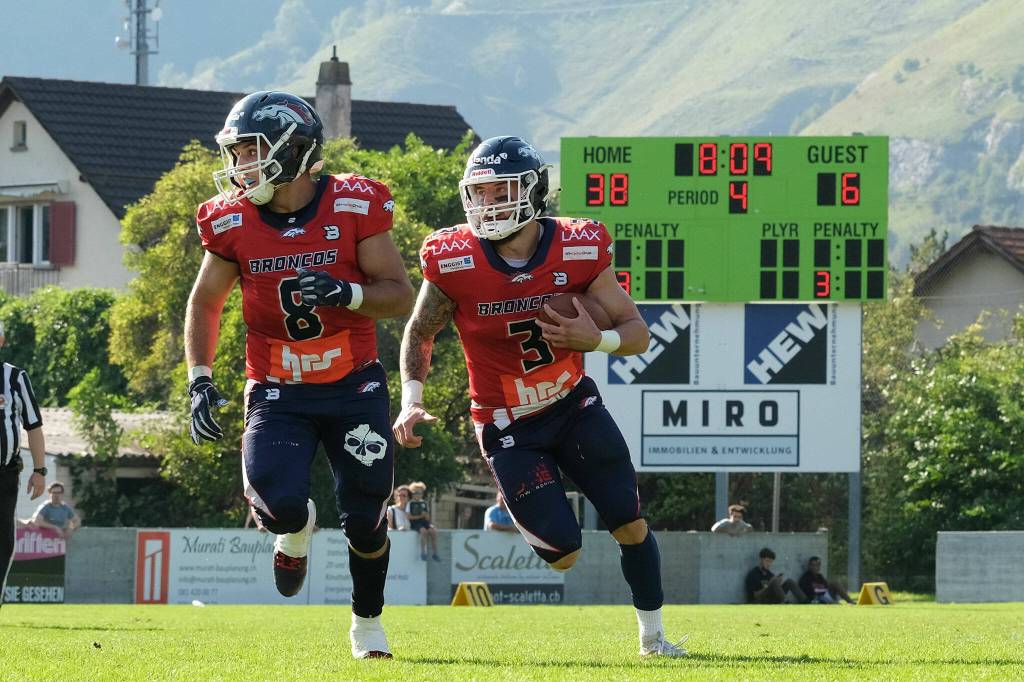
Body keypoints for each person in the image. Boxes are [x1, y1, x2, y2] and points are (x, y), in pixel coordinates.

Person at [392, 136, 687, 657]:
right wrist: (411, 397)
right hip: (508, 425)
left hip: (573, 404)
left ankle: (654, 639)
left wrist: (596, 340)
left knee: (631, 523)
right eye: (479, 193)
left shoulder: (577, 246)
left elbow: (636, 331)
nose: (488, 204)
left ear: (533, 191)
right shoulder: (452, 258)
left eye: (500, 190)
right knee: (564, 554)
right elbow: (419, 332)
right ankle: (519, 497)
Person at [184, 90, 413, 659]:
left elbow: (399, 296)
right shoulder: (231, 220)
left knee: (366, 515)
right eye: (236, 153)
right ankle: (294, 530)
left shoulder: (354, 204)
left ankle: (367, 627)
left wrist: (346, 292)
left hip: (352, 384)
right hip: (276, 389)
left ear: (294, 149)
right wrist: (200, 376)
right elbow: (205, 302)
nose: (241, 166)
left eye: (252, 151)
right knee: (278, 501)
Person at [0, 320, 47, 609]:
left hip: (4, 474)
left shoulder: (14, 377)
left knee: (3, 539)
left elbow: (33, 427)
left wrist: (40, 470)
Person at [406, 481, 439, 560]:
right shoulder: (410, 503)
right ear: (413, 493)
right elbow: (408, 517)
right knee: (423, 531)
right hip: (415, 523)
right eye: (416, 492)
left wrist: (425, 515)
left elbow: (427, 517)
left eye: (420, 493)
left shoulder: (424, 503)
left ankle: (435, 553)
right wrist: (420, 516)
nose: (418, 494)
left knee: (433, 531)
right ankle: (423, 552)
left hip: (424, 522)